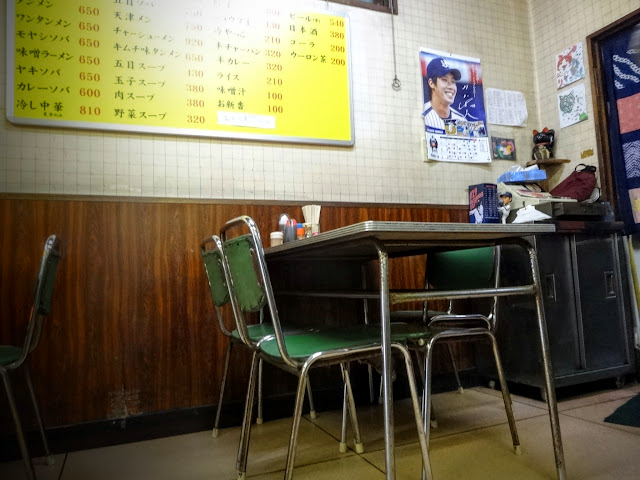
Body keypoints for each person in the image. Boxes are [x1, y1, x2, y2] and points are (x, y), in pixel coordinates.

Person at [423, 57, 466, 133]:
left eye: (453, 82)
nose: (451, 87)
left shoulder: (461, 120)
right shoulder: (422, 116)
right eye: (444, 80)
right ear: (431, 83)